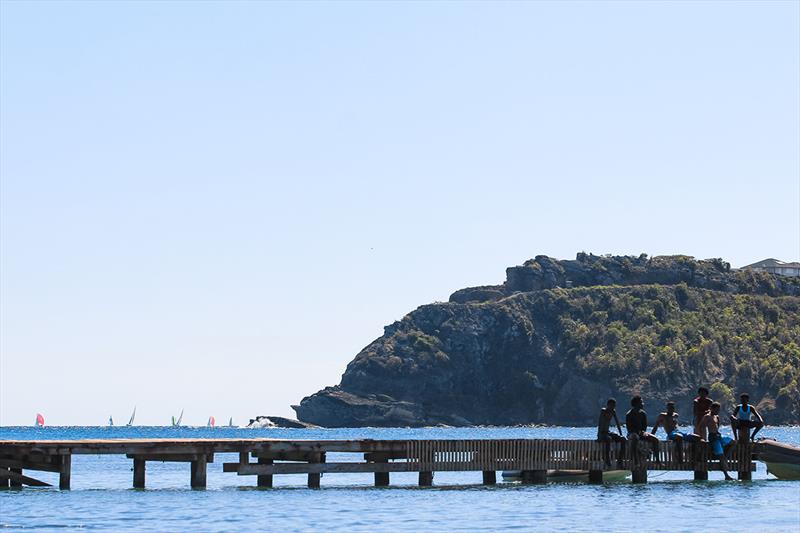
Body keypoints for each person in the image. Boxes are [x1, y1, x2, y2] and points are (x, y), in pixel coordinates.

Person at [699, 402, 734, 480]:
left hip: (719, 436)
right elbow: (701, 427)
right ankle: (726, 476)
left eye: (719, 409)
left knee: (733, 442)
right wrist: (703, 438)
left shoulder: (716, 416)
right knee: (720, 456)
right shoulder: (707, 417)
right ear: (712, 408)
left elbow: (717, 426)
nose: (718, 411)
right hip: (713, 437)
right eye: (716, 409)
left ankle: (726, 457)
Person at [625, 396, 660, 464]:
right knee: (635, 437)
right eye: (641, 402)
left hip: (641, 433)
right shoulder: (629, 414)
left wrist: (643, 432)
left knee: (655, 439)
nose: (643, 404)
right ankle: (635, 459)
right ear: (636, 403)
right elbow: (629, 428)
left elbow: (644, 426)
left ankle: (657, 460)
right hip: (632, 434)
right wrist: (637, 432)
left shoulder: (643, 414)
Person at [597, 398, 626, 467]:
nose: (612, 407)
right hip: (602, 433)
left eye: (614, 406)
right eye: (611, 405)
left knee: (623, 439)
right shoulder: (603, 411)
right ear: (608, 405)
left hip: (607, 432)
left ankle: (620, 460)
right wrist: (599, 436)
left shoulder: (613, 411)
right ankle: (607, 459)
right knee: (608, 439)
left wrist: (621, 434)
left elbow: (617, 423)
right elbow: (600, 423)